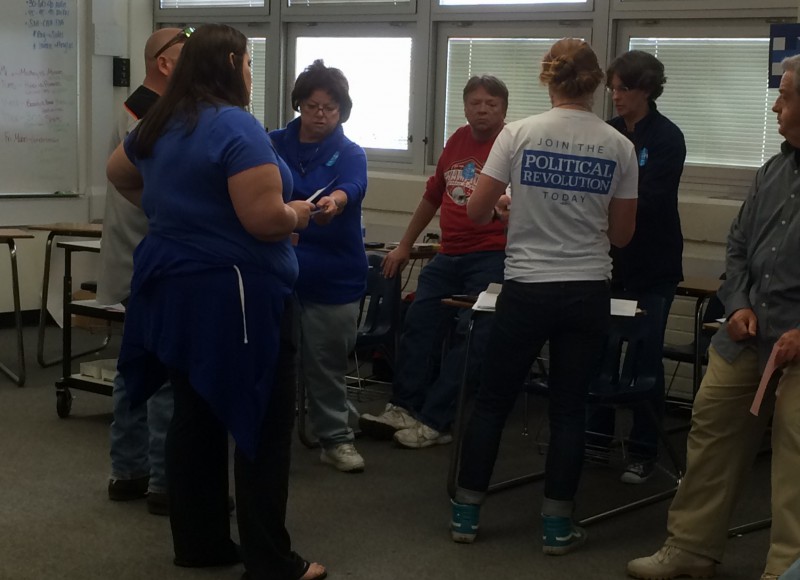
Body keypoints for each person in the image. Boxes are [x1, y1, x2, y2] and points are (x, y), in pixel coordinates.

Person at [106, 24, 325, 580]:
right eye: (250, 63)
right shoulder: (235, 125)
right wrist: (300, 214)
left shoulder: (162, 118)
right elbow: (264, 220)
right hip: (238, 298)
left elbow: (119, 172)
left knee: (196, 414)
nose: (251, 74)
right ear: (231, 61)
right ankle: (272, 563)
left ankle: (199, 543)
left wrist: (176, 219)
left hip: (176, 290)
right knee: (260, 425)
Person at [449, 38, 638, 555]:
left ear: (547, 79)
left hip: (527, 289)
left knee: (492, 403)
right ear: (597, 82)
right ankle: (556, 526)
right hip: (586, 291)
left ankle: (466, 513)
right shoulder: (618, 144)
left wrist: (516, 205)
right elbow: (621, 236)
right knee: (569, 409)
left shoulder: (518, 134)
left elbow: (476, 213)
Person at [626, 54, 800, 580]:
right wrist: (740, 302)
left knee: (796, 458)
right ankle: (691, 549)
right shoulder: (775, 169)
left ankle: (786, 569)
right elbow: (740, 243)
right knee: (711, 432)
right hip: (748, 333)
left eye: (787, 95)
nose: (776, 105)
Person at [358, 75, 508, 449]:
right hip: (449, 252)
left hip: (492, 256)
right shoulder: (457, 140)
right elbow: (432, 197)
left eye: (491, 103)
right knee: (418, 323)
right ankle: (403, 407)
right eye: (475, 102)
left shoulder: (512, 143)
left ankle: (436, 419)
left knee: (471, 333)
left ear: (503, 108)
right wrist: (404, 245)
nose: (482, 109)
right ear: (465, 106)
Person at [586, 50, 686, 484]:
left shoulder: (666, 137)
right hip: (609, 263)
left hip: (653, 264)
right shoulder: (606, 133)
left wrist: (604, 207)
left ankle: (643, 450)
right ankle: (595, 437)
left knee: (644, 357)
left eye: (623, 88)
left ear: (645, 89)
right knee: (601, 350)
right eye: (612, 88)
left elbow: (652, 199)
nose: (615, 96)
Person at [100, 26, 188, 516]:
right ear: (166, 64)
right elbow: (166, 179)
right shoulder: (148, 111)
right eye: (188, 57)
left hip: (145, 255)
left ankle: (130, 470)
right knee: (161, 370)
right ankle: (162, 478)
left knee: (137, 363)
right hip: (148, 255)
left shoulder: (149, 107)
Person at [270, 60, 368, 473]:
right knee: (272, 361)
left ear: (342, 111)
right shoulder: (271, 142)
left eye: (330, 107)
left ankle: (335, 439)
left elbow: (353, 186)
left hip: (333, 275)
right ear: (299, 105)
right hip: (277, 271)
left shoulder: (349, 152)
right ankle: (271, 432)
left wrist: (336, 203)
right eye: (311, 106)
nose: (320, 114)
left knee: (326, 363)